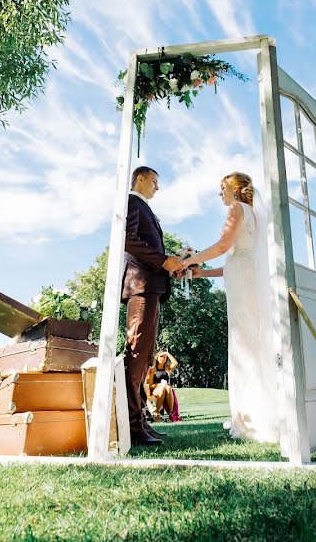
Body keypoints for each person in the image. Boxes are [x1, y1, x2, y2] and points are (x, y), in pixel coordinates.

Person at [178, 172, 281, 443]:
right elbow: (237, 260)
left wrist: (188, 261)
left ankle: (252, 420)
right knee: (250, 341)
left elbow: (224, 246)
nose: (220, 193)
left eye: (222, 188)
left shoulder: (237, 209)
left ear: (235, 189)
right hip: (245, 279)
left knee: (243, 343)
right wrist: (202, 273)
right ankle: (258, 414)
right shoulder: (254, 214)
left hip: (242, 283)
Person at [121, 167, 183, 446]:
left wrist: (172, 264)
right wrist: (162, 261)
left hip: (152, 286)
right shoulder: (133, 202)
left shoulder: (145, 207)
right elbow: (128, 240)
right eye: (155, 181)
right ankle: (132, 426)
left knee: (144, 359)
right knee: (135, 355)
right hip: (140, 286)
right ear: (141, 179)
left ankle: (142, 421)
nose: (157, 187)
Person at [145, 351, 178, 422]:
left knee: (168, 387)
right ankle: (157, 413)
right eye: (161, 356)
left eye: (164, 357)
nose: (163, 358)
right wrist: (159, 385)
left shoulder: (167, 368)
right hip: (155, 389)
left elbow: (175, 363)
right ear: (157, 358)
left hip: (166, 389)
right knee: (163, 388)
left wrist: (167, 353)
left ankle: (171, 414)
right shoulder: (153, 369)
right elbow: (150, 385)